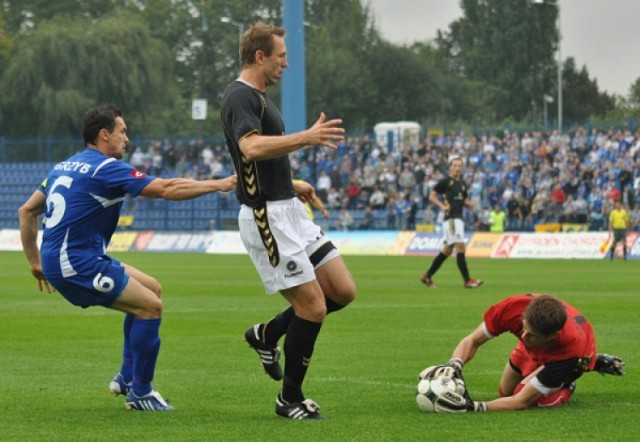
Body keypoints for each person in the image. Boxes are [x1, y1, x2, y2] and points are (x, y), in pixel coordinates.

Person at [18, 103, 237, 411]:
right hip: (77, 262)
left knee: (152, 289)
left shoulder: (63, 166)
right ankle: (141, 393)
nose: (127, 139)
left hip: (72, 257)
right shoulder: (106, 168)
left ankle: (126, 377)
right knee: (151, 307)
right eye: (122, 131)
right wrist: (220, 184)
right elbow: (165, 188)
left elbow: (26, 211)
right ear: (104, 135)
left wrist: (35, 263)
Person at [220, 22, 357, 420]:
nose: (286, 63)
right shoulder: (238, 97)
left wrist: (292, 183)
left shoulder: (260, 97)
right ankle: (289, 399)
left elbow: (264, 157)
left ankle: (267, 334)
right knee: (313, 308)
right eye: (281, 56)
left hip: (287, 208)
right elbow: (251, 147)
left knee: (343, 290)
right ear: (260, 57)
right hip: (267, 218)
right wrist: (306, 137)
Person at [419, 293, 625, 412]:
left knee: (524, 396)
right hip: (541, 350)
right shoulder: (513, 308)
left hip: (570, 358)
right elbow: (472, 340)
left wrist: (473, 407)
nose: (524, 335)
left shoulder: (572, 347)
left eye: (532, 335)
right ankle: (543, 368)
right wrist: (454, 364)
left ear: (552, 335)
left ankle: (569, 381)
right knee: (504, 392)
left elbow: (521, 401)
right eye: (523, 328)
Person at [420, 157, 483, 289]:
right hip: (451, 219)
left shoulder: (462, 184)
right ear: (450, 167)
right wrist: (441, 206)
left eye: (459, 166)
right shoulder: (445, 182)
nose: (457, 168)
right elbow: (432, 196)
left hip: (459, 218)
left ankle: (427, 276)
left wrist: (470, 204)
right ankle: (467, 280)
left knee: (447, 251)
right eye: (454, 165)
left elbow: (462, 200)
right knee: (461, 247)